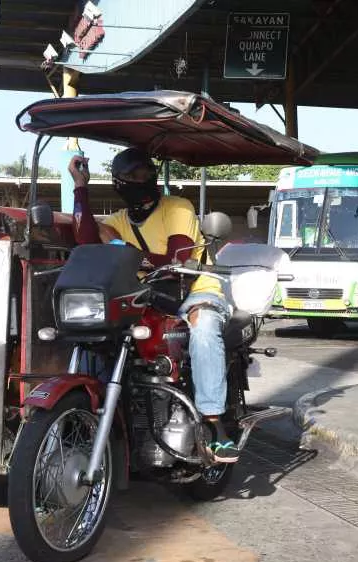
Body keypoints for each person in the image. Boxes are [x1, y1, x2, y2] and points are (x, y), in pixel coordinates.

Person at [69, 149, 238, 463]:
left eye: (147, 174)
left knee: (203, 327)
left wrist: (124, 249)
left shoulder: (177, 207)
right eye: (134, 177)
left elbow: (176, 262)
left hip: (195, 293)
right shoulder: (118, 220)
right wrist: (80, 186)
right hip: (143, 295)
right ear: (119, 183)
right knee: (94, 334)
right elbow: (87, 241)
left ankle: (215, 425)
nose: (143, 181)